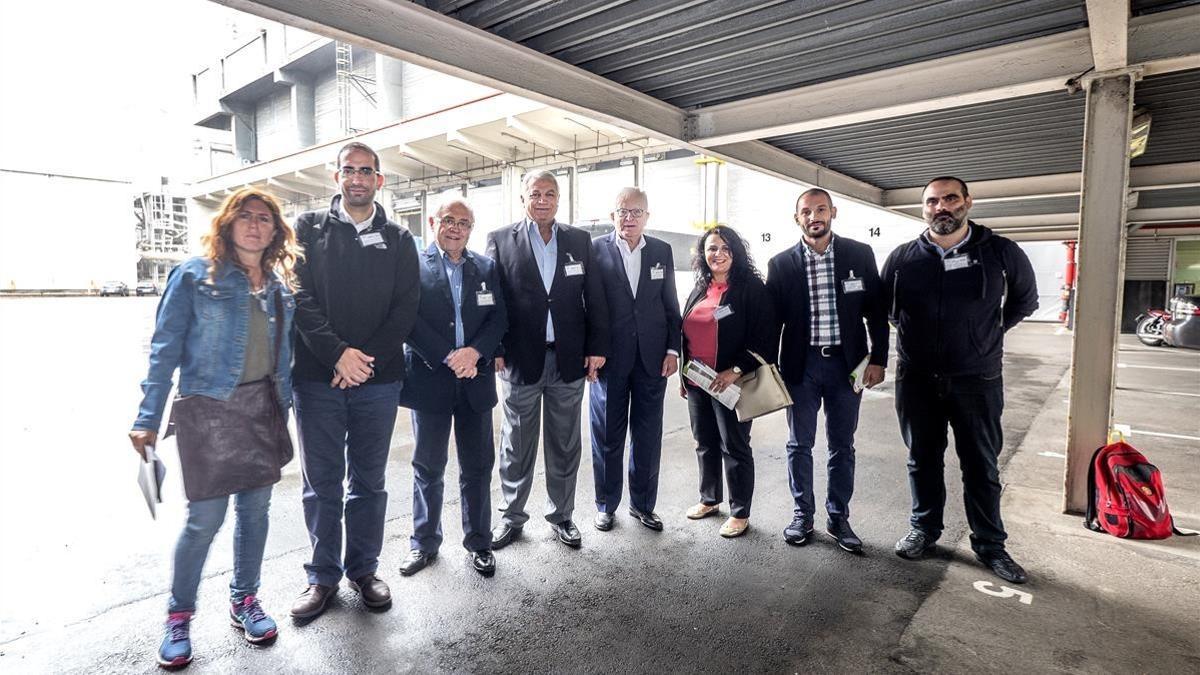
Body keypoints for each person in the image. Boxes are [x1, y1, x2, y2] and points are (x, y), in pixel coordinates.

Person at [130, 188, 300, 668]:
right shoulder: (193, 276)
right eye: (245, 216)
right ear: (227, 224)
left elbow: (285, 355)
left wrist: (285, 404)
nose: (254, 224)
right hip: (210, 410)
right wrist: (147, 416)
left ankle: (244, 599)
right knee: (204, 519)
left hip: (264, 409)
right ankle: (179, 616)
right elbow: (164, 349)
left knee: (256, 513)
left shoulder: (277, 285)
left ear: (275, 231)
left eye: (264, 218)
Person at [882, 176, 1038, 584]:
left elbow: (1025, 300)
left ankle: (990, 545)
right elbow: (889, 310)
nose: (941, 208)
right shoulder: (902, 258)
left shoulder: (1001, 252)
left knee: (981, 465)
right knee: (922, 459)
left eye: (950, 199)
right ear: (923, 208)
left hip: (977, 378)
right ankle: (924, 530)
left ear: (967, 202)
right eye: (932, 201)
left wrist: (987, 334)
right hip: (917, 378)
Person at [289, 142, 420, 620]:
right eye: (350, 170)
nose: (358, 178)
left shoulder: (400, 238)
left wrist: (364, 361)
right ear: (337, 176)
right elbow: (299, 295)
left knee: (368, 481)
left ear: (379, 180)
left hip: (378, 381)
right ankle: (321, 578)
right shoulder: (307, 229)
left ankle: (363, 569)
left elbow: (406, 308)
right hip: (317, 379)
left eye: (367, 171)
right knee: (321, 482)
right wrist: (337, 355)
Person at [485, 170, 609, 549]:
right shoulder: (501, 239)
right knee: (516, 444)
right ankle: (511, 517)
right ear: (523, 198)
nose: (542, 199)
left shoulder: (578, 240)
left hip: (568, 360)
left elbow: (595, 298)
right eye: (535, 193)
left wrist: (596, 347)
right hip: (520, 362)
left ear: (559, 199)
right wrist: (496, 348)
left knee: (565, 443)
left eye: (550, 193)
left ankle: (562, 516)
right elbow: (493, 299)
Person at [766, 188, 889, 553]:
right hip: (800, 367)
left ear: (833, 212)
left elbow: (877, 312)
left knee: (842, 445)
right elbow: (773, 323)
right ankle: (802, 515)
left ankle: (838, 517)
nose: (814, 216)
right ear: (797, 218)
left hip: (846, 367)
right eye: (807, 211)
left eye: (821, 209)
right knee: (798, 444)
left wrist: (879, 358)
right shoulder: (781, 264)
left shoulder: (858, 254)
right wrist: (770, 369)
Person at [397, 198, 507, 577]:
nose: (455, 228)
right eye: (448, 220)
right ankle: (424, 543)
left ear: (471, 228)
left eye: (463, 222)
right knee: (428, 465)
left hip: (475, 380)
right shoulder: (413, 266)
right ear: (434, 222)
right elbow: (407, 319)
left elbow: (499, 317)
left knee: (477, 467)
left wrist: (475, 352)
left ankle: (480, 542)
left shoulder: (487, 267)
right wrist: (449, 356)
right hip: (430, 379)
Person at [588, 188, 682, 533]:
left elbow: (670, 305)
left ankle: (643, 505)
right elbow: (588, 306)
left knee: (647, 435)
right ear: (613, 215)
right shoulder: (594, 249)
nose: (629, 218)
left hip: (652, 360)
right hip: (609, 360)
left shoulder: (661, 251)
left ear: (647, 216)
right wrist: (591, 351)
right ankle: (605, 504)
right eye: (622, 211)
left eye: (636, 212)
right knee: (607, 436)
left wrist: (673, 350)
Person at [680, 226, 775, 538]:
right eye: (711, 248)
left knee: (734, 446)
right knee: (704, 442)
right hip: (698, 381)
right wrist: (685, 373)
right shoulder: (699, 287)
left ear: (736, 252)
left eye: (724, 248)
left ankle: (739, 511)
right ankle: (709, 499)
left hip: (731, 382)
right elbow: (686, 332)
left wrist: (735, 369)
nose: (717, 254)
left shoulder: (751, 289)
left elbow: (766, 338)